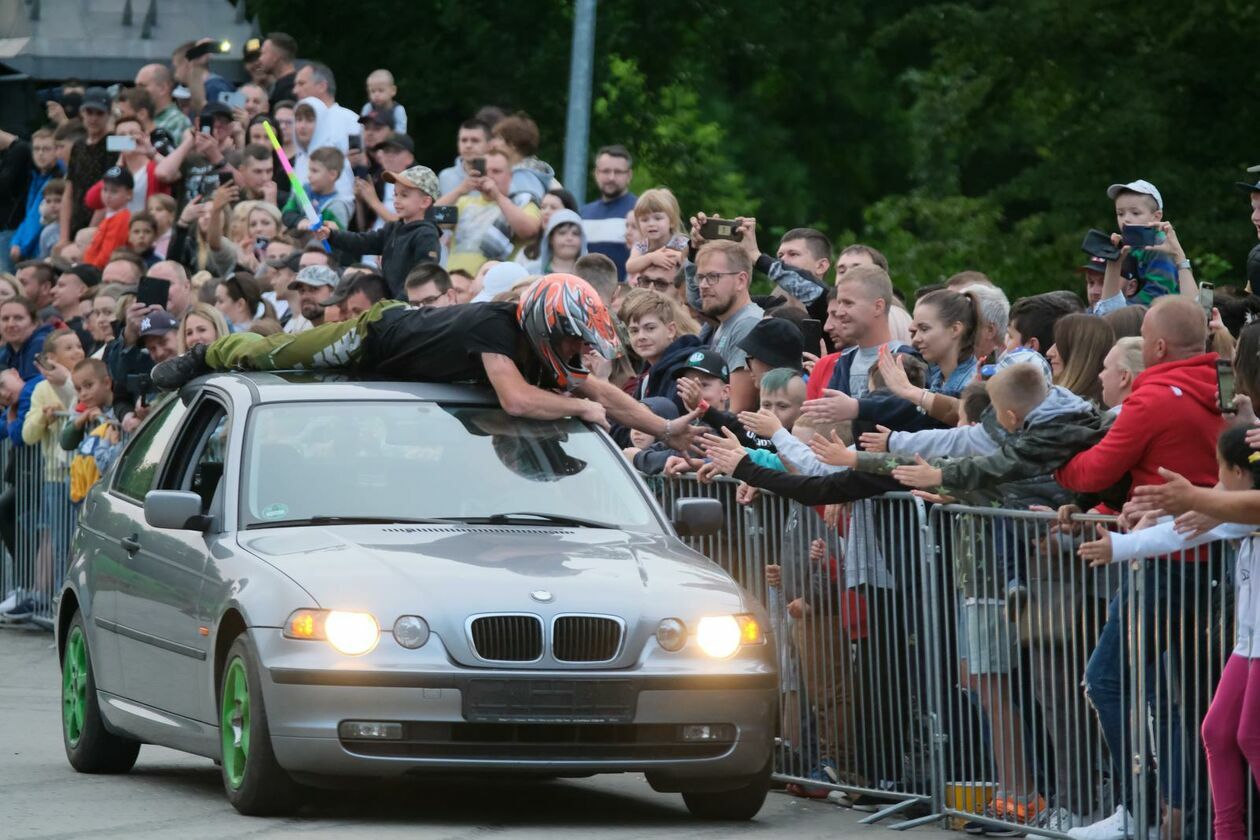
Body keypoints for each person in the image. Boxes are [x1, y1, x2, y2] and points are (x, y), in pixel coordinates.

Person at [150, 274, 706, 454]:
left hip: (400, 376)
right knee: (269, 356)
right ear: (545, 325)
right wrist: (576, 406)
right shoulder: (497, 326)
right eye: (571, 343)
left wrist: (663, 428)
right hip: (377, 336)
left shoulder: (546, 348)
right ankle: (206, 354)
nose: (575, 357)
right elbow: (516, 400)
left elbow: (600, 391)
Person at [1056, 297, 1223, 840]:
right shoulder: (1222, 391)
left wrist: (1051, 459)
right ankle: (1186, 816)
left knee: (1108, 681)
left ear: (1154, 348)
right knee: (1185, 700)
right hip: (1212, 560)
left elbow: (1095, 469)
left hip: (1163, 564)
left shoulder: (1152, 398)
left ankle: (1140, 811)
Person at [1078, 423, 1260, 840]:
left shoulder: (1245, 512)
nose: (1214, 481)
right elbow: (1177, 535)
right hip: (1247, 646)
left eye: (1218, 470)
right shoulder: (1232, 515)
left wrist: (1193, 500)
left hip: (1256, 648)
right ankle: (1226, 832)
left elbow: (1189, 525)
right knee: (1216, 730)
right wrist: (1119, 547)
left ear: (1236, 472)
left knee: (1251, 733)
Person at [317, 165, 441, 299]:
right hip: (390, 306)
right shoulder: (392, 229)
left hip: (409, 310)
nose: (396, 200)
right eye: (395, 194)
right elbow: (362, 241)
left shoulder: (426, 235)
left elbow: (424, 275)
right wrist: (332, 234)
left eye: (404, 195)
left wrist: (399, 305)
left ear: (425, 202)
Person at [440, 149, 542, 275]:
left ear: (510, 176)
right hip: (456, 284)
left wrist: (498, 196)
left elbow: (529, 231)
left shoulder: (521, 202)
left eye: (496, 171)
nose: (489, 176)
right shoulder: (463, 202)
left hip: (495, 287)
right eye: (485, 171)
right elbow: (432, 218)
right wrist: (460, 190)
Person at [695, 240, 763, 412]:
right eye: (701, 277)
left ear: (741, 280)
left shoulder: (748, 324)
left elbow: (737, 409)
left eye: (713, 277)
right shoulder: (727, 322)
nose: (703, 285)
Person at [619, 288, 701, 403]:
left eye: (650, 328)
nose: (641, 336)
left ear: (670, 330)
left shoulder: (683, 373)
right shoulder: (648, 372)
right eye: (634, 331)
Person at [61, 358, 122, 503]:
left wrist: (103, 420)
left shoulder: (120, 410)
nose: (83, 393)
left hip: (108, 488)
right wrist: (79, 421)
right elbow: (65, 442)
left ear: (107, 383)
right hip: (85, 489)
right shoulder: (84, 410)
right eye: (78, 389)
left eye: (88, 385)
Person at [59, 87, 112, 242]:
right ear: (82, 113)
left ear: (108, 115)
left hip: (101, 224)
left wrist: (90, 231)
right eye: (89, 112)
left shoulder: (115, 142)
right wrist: (63, 237)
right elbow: (69, 191)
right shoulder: (78, 146)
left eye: (99, 113)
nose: (94, 118)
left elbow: (109, 190)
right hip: (76, 221)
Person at [580, 145, 637, 279]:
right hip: (587, 293)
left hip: (628, 293)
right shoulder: (583, 214)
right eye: (606, 171)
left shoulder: (640, 212)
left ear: (629, 175)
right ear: (596, 173)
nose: (611, 177)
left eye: (618, 172)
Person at [7, 128, 60, 266]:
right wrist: (17, 242)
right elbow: (28, 215)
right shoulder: (35, 176)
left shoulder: (59, 176)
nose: (40, 153)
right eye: (36, 149)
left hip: (44, 249)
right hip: (32, 249)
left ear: (57, 150)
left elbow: (37, 217)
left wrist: (20, 245)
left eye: (46, 149)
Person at [624, 188, 688, 277]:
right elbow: (630, 267)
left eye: (658, 218)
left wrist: (680, 257)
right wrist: (651, 258)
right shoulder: (641, 245)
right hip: (648, 287)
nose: (651, 224)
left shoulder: (680, 242)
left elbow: (695, 265)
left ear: (672, 221)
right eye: (644, 220)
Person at [82, 167, 134, 268]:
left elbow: (108, 255)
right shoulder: (111, 216)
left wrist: (88, 271)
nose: (108, 195)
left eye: (114, 191)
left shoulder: (122, 219)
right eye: (105, 190)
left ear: (129, 194)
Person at [134, 64, 190, 143]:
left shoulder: (178, 121)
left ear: (162, 88)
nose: (137, 91)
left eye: (142, 86)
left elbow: (165, 153)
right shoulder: (140, 117)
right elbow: (116, 150)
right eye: (136, 86)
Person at [436, 118, 490, 197]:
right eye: (464, 140)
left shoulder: (498, 175)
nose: (468, 145)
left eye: (475, 140)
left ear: (489, 145)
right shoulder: (445, 176)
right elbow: (435, 209)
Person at [285, 264, 338, 332]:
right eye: (302, 291)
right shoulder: (300, 332)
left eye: (314, 289)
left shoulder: (347, 331)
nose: (305, 296)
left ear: (333, 291)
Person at [359, 69, 407, 134]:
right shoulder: (368, 107)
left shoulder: (398, 110)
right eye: (372, 91)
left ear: (393, 90)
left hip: (391, 142)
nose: (376, 95)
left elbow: (401, 133)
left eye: (381, 90)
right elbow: (362, 129)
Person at [260, 33, 300, 108]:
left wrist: (256, 118)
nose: (260, 59)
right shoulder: (294, 84)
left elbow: (280, 119)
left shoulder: (287, 90)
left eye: (263, 53)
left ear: (275, 57)